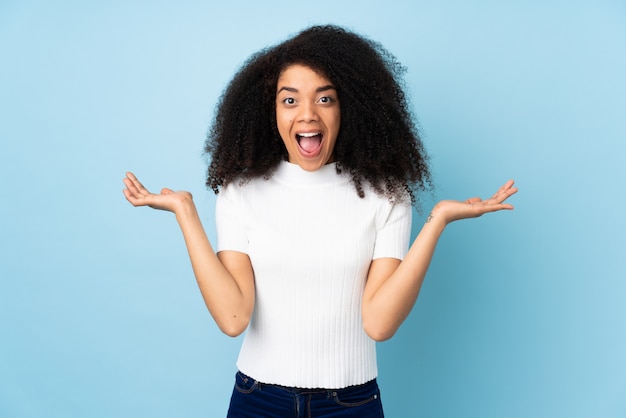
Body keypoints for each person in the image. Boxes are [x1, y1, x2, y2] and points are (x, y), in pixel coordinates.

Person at [123, 25, 517, 418]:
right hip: (258, 400)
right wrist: (186, 213)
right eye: (289, 100)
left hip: (352, 403)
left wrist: (437, 220)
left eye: (324, 98)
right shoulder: (240, 192)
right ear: (270, 111)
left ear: (348, 107)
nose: (307, 114)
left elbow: (379, 324)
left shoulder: (386, 195)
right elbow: (233, 317)